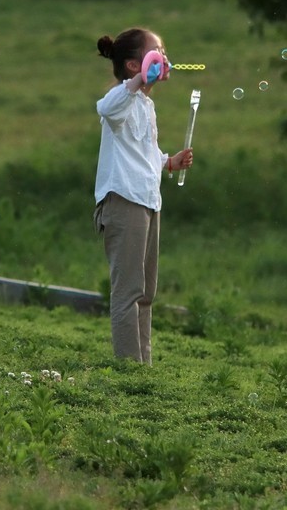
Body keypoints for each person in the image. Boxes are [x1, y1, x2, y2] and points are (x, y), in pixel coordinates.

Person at [93, 28, 193, 363]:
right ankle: (128, 369)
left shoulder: (146, 105)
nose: (164, 57)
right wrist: (136, 83)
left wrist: (169, 162)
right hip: (124, 202)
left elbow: (142, 152)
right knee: (128, 291)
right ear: (135, 65)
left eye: (164, 52)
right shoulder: (121, 99)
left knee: (146, 292)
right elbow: (106, 108)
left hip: (148, 201)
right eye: (156, 52)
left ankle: (142, 368)